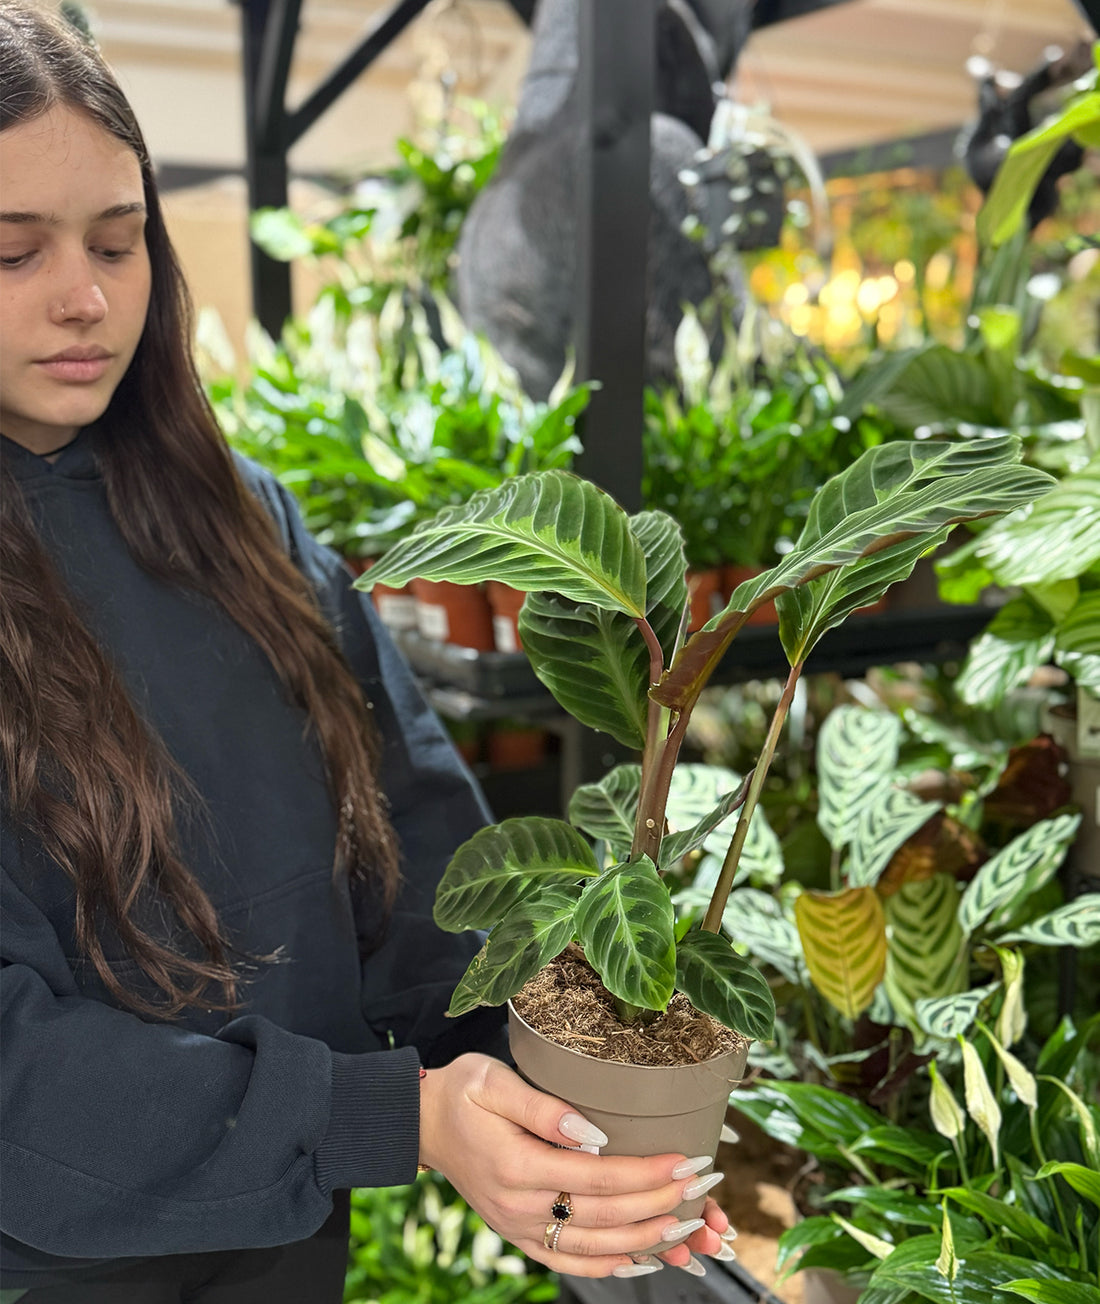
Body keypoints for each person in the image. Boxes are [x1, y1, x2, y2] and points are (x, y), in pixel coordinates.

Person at [0, 4, 733, 1299]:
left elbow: (407, 833)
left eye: (121, 242)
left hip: (291, 1259)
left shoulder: (241, 519)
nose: (89, 296)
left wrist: (564, 1105)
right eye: (16, 253)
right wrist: (390, 1119)